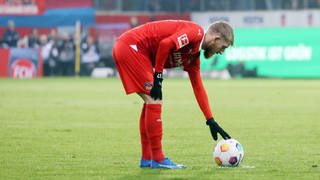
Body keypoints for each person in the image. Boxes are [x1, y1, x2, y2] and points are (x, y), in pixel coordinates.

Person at [112, 20, 233, 169]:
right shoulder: (196, 32)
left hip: (130, 48)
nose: (221, 52)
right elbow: (165, 44)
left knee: (151, 101)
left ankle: (147, 158)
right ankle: (157, 158)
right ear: (217, 39)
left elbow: (198, 86)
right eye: (223, 47)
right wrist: (158, 77)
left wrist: (210, 120)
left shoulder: (193, 54)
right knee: (154, 100)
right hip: (132, 47)